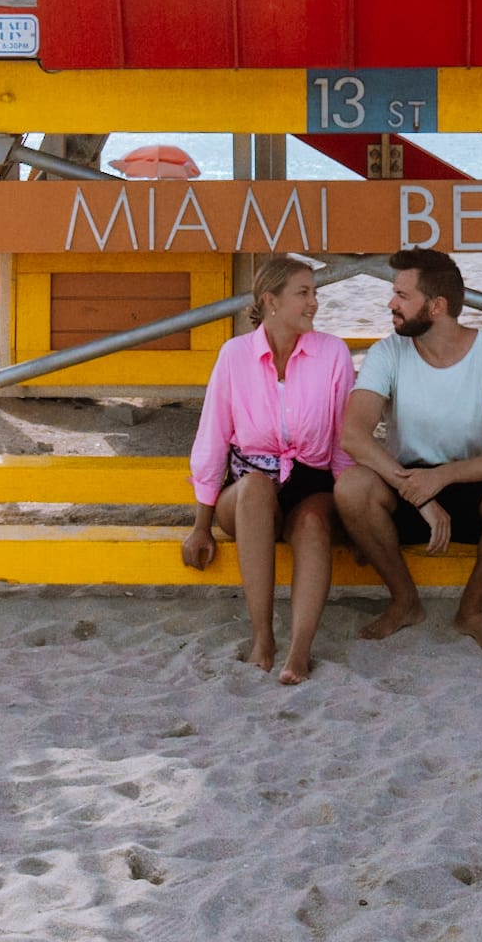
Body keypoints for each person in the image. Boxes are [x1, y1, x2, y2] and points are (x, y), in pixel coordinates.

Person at [336, 250, 482, 652]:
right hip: (406, 487)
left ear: (437, 306)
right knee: (352, 487)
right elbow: (353, 436)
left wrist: (443, 477)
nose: (390, 303)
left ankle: (472, 612)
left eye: (401, 295)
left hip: (468, 484)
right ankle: (405, 601)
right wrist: (419, 491)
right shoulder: (388, 353)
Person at [182, 256, 354, 683]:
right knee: (257, 487)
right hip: (245, 488)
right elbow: (212, 439)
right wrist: (201, 525)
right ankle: (263, 638)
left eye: (316, 293)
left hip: (310, 482)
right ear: (270, 301)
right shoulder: (234, 355)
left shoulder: (333, 354)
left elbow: (344, 443)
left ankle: (299, 651)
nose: (314, 303)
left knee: (314, 522)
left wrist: (356, 524)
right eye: (304, 293)